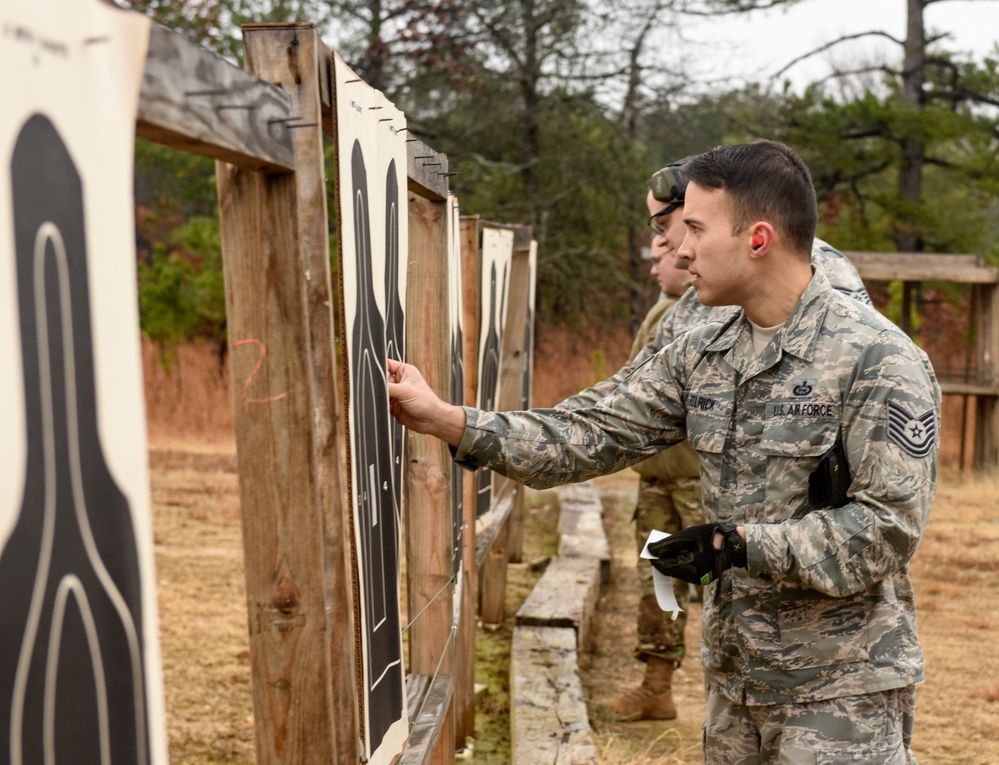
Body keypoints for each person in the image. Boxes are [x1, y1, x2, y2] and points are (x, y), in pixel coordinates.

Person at [388, 139, 940, 764]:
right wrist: (451, 421)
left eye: (696, 229)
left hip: (844, 692)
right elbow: (588, 431)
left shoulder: (879, 358)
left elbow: (887, 530)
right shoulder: (702, 347)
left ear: (757, 240)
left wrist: (737, 545)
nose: (678, 248)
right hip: (735, 684)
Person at [592, 175, 704, 722]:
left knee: (721, 585)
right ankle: (656, 686)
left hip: (697, 479)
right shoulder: (668, 311)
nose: (661, 255)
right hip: (660, 476)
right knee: (659, 581)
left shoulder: (713, 310)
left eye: (667, 239)